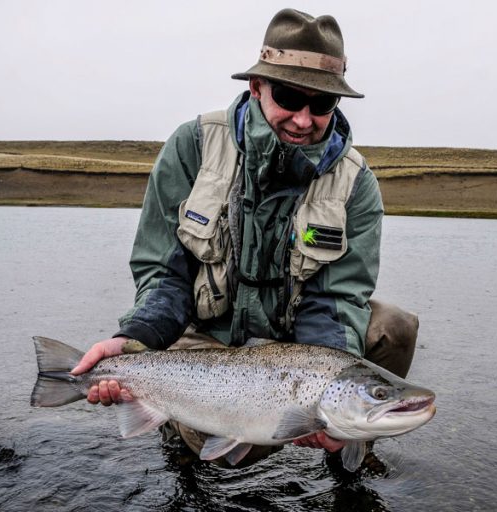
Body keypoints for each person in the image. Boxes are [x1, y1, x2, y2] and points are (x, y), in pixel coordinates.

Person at [71, 8, 419, 465]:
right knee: (225, 446)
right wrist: (134, 339)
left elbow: (336, 299)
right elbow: (165, 274)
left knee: (394, 327)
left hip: (294, 345)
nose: (303, 118)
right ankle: (178, 419)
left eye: (322, 104)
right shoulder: (193, 146)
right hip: (204, 338)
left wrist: (326, 411)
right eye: (290, 96)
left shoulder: (355, 183)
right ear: (256, 87)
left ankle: (348, 439)